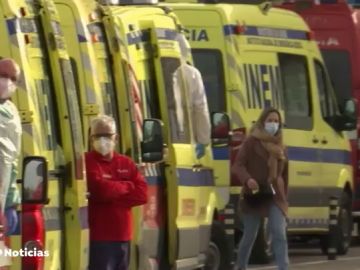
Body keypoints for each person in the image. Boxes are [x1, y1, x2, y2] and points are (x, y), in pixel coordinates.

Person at [85, 115, 148, 270]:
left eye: (107, 136)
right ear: (91, 139)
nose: (102, 140)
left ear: (116, 138)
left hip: (123, 237)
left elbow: (142, 194)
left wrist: (114, 191)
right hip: (98, 238)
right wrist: (127, 186)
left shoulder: (126, 163)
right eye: (97, 136)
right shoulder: (87, 161)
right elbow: (100, 190)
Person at [232, 107, 289, 270]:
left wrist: (285, 199)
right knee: (250, 234)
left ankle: (283, 267)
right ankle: (240, 266)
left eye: (276, 121)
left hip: (275, 195)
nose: (273, 124)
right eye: (270, 120)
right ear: (262, 122)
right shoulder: (251, 141)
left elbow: (285, 176)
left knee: (279, 233)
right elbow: (238, 165)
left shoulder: (281, 146)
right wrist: (248, 179)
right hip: (255, 194)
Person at [174, 34, 211, 159]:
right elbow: (200, 108)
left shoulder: (158, 66)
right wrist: (203, 140)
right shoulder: (191, 74)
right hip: (184, 136)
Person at [0, 58, 21, 236]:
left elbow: (12, 160)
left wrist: (11, 201)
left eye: (13, 79)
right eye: (3, 75)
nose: (7, 82)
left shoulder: (11, 112)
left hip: (5, 206)